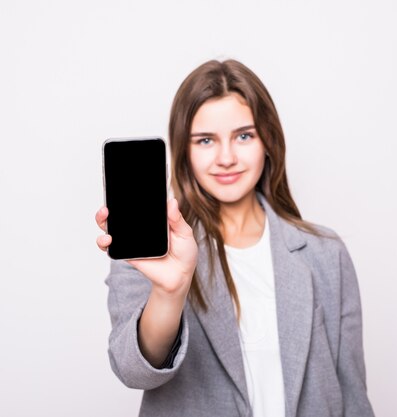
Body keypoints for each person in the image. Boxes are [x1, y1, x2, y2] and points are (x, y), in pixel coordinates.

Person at [95, 59, 375, 417]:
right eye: (206, 140)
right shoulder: (154, 253)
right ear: (184, 151)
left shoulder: (325, 253)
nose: (226, 158)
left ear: (268, 141)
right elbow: (134, 370)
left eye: (244, 136)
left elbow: (353, 398)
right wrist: (169, 291)